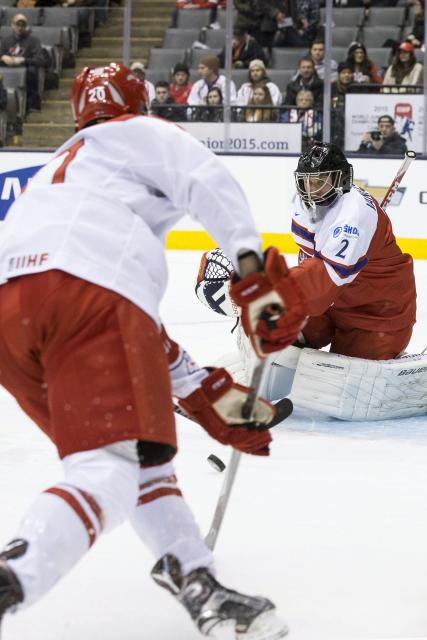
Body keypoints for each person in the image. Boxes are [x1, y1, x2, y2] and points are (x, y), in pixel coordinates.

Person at [0, 62, 299, 639]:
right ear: (136, 100)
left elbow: (94, 292)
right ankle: (15, 574)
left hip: (12, 317)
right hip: (88, 301)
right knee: (108, 470)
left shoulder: (61, 172)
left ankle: (198, 581)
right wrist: (252, 275)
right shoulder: (141, 131)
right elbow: (210, 184)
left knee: (136, 458)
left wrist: (201, 388)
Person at [195, 143, 419, 421]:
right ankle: (255, 382)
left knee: (347, 385)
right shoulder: (304, 207)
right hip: (333, 304)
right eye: (307, 182)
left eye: (320, 182)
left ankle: (398, 362)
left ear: (341, 180)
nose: (312, 189)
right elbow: (310, 268)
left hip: (377, 312)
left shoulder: (353, 216)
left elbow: (323, 280)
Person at [0, 13, 46, 113]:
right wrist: (2, 57)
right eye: (17, 25)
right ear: (12, 25)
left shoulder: (33, 40)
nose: (20, 28)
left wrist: (24, 60)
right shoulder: (6, 40)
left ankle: (31, 103)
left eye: (22, 25)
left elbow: (40, 60)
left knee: (32, 70)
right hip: (9, 68)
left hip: (26, 67)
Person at [331, 61, 353, 148]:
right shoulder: (332, 88)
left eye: (349, 73)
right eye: (343, 73)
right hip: (335, 122)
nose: (346, 75)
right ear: (339, 74)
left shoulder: (357, 87)